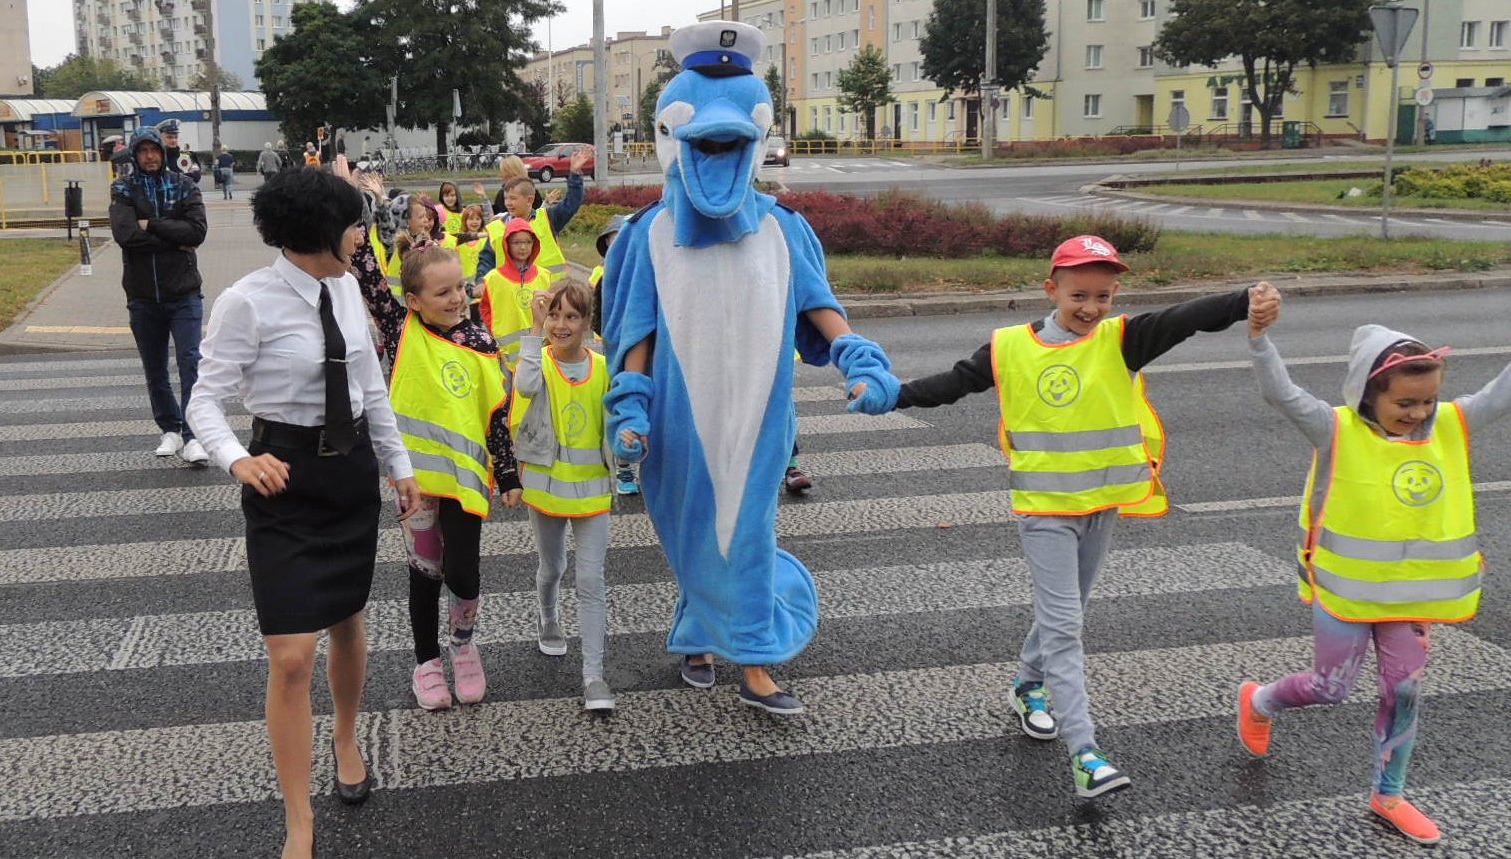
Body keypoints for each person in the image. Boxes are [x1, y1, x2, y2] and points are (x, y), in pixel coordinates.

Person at [894, 235, 1269, 797]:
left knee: (1065, 613)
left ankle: (1027, 684)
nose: (1091, 307)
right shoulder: (1007, 347)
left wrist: (1246, 299)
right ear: (1052, 289)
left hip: (1100, 507)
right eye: (1078, 295)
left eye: (1103, 295)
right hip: (1045, 512)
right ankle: (1086, 754)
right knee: (1067, 626)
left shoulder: (1122, 340)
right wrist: (890, 396)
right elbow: (951, 385)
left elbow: (1187, 317)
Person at [602, 21, 901, 717]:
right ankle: (697, 633)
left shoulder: (781, 227)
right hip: (675, 422)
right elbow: (633, 333)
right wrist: (631, 406)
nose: (716, 142)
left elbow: (819, 307)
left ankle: (757, 659)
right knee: (690, 528)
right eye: (700, 132)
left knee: (748, 528)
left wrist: (859, 359)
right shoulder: (647, 234)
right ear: (669, 135)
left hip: (761, 413)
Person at [185, 167, 424, 859]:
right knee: (290, 656)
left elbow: (370, 387)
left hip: (347, 474)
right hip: (281, 480)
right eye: (355, 223)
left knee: (348, 618)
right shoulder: (246, 301)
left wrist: (399, 467)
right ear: (323, 230)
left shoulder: (348, 287)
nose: (363, 234)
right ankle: (299, 818)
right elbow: (204, 398)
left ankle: (346, 737)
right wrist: (236, 457)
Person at [1237, 296, 1509, 845]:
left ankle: (1389, 795)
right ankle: (1259, 701)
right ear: (1369, 394)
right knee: (1330, 688)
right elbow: (1279, 394)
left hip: (1411, 598)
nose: (1419, 412)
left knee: (1403, 691)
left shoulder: (1451, 425)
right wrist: (1259, 339)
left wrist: (1439, 410)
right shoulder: (1334, 430)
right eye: (1406, 402)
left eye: (1427, 400)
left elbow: (1503, 392)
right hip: (1348, 592)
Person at [357, 238, 522, 711]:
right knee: (425, 574)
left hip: (465, 482)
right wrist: (357, 206)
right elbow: (368, 276)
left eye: (461, 288)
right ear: (413, 301)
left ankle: (463, 644)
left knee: (464, 573)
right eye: (442, 292)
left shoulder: (481, 340)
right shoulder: (401, 327)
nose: (456, 299)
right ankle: (427, 661)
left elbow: (495, 412)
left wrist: (507, 473)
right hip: (417, 484)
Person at [512, 280, 616, 712]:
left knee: (591, 580)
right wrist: (533, 332)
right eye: (554, 315)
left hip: (593, 491)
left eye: (571, 316)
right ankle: (548, 617)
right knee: (552, 565)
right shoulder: (540, 361)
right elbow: (524, 387)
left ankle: (594, 676)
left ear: (587, 321)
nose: (561, 324)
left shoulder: (606, 367)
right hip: (547, 487)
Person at [108, 126, 210, 465]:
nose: (150, 156)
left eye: (154, 150)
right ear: (135, 155)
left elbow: (196, 231)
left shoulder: (184, 185)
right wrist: (172, 236)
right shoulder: (123, 188)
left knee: (190, 362)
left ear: (163, 153)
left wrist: (150, 224)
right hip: (142, 295)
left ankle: (194, 434)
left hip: (184, 293)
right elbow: (124, 235)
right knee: (154, 368)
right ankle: (170, 428)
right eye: (143, 151)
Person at [475, 148, 588, 280]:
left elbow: (571, 203)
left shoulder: (547, 218)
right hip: (513, 296)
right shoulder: (497, 227)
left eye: (513, 198)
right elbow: (486, 261)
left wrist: (574, 174)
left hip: (548, 294)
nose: (508, 203)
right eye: (506, 198)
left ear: (529, 200)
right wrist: (480, 282)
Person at [588, 215, 638, 496]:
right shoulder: (605, 280)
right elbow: (597, 319)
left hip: (646, 355)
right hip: (617, 354)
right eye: (612, 242)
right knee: (622, 407)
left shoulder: (646, 275)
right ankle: (624, 467)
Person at [478, 217, 552, 370]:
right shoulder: (493, 278)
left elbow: (551, 310)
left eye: (527, 242)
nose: (523, 247)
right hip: (506, 353)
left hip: (539, 347)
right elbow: (486, 308)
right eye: (517, 242)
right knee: (508, 391)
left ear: (534, 243)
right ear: (507, 244)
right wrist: (495, 330)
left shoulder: (544, 275)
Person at [449, 203, 490, 280]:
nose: (474, 222)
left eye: (478, 219)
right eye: (471, 219)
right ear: (465, 220)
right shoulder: (458, 240)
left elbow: (490, 216)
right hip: (465, 281)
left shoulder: (485, 237)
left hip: (482, 279)